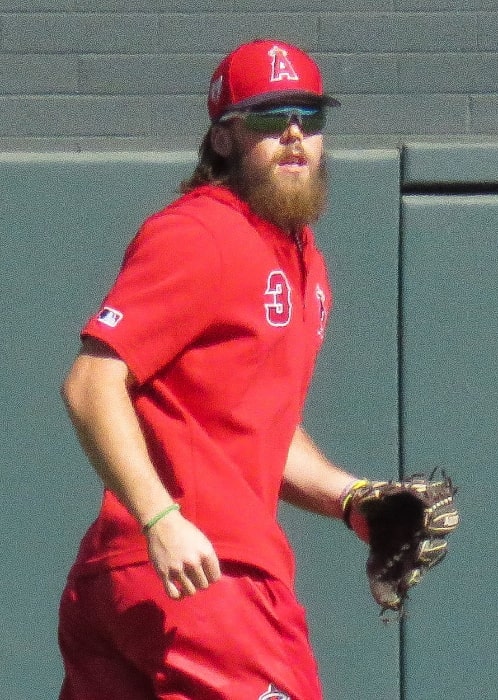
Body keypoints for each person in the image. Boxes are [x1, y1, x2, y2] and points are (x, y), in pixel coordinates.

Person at [58, 38, 368, 700]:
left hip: (132, 580)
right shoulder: (202, 233)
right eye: (267, 117)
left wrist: (351, 500)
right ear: (223, 139)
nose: (293, 134)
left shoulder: (302, 260)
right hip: (203, 573)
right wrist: (159, 517)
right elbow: (91, 384)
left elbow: (257, 427)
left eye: (308, 118)